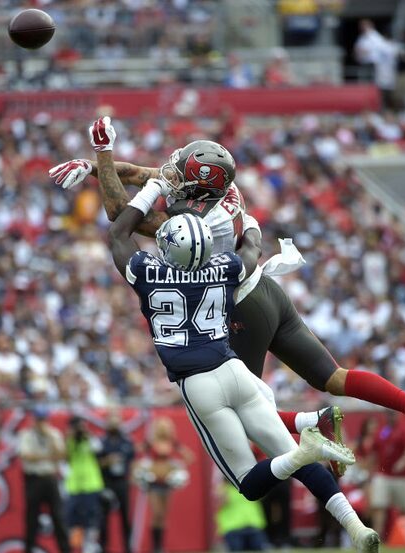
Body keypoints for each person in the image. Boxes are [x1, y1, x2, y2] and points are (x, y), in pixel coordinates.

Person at [50, 119, 405, 479]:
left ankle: (310, 422)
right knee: (333, 376)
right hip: (265, 292)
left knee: (236, 411)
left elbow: (122, 214)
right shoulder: (222, 191)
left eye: (179, 176)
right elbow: (146, 174)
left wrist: (102, 154)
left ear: (197, 187)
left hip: (238, 312)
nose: (169, 177)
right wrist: (92, 168)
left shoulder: (196, 222)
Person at [98, 116, 380, 552]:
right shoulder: (223, 268)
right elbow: (250, 248)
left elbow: (118, 229)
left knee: (251, 481)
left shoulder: (146, 272)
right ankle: (355, 526)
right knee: (280, 437)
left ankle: (304, 441)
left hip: (200, 385)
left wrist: (146, 185)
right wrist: (245, 218)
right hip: (235, 371)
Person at [133, 417, 194, 553]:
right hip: (153, 482)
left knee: (163, 516)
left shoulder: (172, 442)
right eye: (161, 426)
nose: (163, 428)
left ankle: (160, 547)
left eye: (165, 426)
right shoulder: (151, 442)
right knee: (156, 513)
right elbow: (136, 452)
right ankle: (156, 546)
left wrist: (177, 469)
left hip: (167, 483)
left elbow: (189, 457)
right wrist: (143, 468)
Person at [17, 407, 70, 553]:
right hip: (33, 479)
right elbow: (26, 456)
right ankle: (29, 549)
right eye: (38, 420)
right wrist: (47, 457)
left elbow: (61, 455)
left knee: (58, 518)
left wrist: (50, 438)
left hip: (50, 478)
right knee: (31, 519)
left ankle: (65, 550)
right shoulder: (26, 435)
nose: (40, 423)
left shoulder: (54, 434)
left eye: (43, 420)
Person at [367, 411, 405, 538]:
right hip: (383, 475)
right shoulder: (383, 430)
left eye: (393, 414)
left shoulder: (404, 428)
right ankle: (377, 537)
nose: (390, 416)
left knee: (404, 508)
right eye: (388, 414)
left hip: (401, 477)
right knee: (379, 505)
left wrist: (403, 461)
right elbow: (374, 451)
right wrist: (371, 471)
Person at [65, 415, 106, 553]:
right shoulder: (68, 441)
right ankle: (75, 546)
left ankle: (90, 546)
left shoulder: (89, 439)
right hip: (74, 484)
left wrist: (87, 434)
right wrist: (70, 436)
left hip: (91, 483)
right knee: (73, 517)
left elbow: (98, 448)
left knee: (92, 516)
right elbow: (63, 456)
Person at [98, 409, 135, 553]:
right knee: (103, 516)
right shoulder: (101, 441)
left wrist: (131, 477)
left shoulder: (126, 440)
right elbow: (96, 463)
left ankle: (127, 547)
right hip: (106, 481)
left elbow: (132, 460)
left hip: (121, 481)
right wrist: (107, 461)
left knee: (125, 515)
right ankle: (103, 547)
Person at [216, 477, 269, 551]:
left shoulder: (251, 486)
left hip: (253, 525)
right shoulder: (224, 489)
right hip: (233, 528)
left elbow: (263, 495)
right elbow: (218, 503)